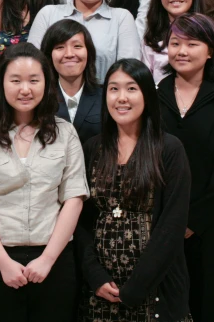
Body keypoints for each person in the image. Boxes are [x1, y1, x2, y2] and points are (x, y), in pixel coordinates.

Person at [0, 42, 89, 322]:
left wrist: (47, 259)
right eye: (15, 80)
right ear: (1, 84)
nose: (25, 89)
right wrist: (3, 262)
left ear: (46, 82)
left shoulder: (65, 134)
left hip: (54, 259)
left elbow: (73, 199)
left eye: (34, 80)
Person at [75, 58, 192, 322]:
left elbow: (172, 227)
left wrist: (136, 288)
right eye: (113, 89)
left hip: (154, 288)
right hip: (100, 290)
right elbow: (80, 221)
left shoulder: (169, 149)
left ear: (147, 95)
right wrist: (95, 277)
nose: (121, 98)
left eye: (131, 88)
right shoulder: (92, 148)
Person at [157, 13, 214, 322]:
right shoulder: (152, 98)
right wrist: (166, 222)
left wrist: (193, 222)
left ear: (211, 51)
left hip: (208, 227)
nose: (181, 51)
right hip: (158, 225)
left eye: (192, 44)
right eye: (175, 43)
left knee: (206, 308)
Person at [29, 0, 140, 83]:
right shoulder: (48, 14)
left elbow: (129, 72)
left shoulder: (121, 18)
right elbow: (32, 67)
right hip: (53, 99)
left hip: (104, 100)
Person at [40, 19, 101, 146]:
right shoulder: (40, 97)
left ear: (89, 53)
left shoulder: (105, 96)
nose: (69, 54)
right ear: (49, 55)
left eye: (77, 46)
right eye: (60, 47)